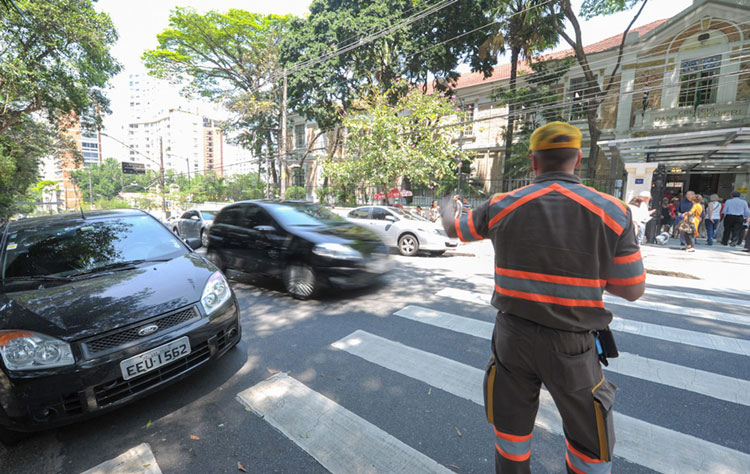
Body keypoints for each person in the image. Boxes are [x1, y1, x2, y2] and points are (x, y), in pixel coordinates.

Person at [441, 122, 644, 474]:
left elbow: (454, 229)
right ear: (577, 160)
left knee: (511, 435)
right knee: (588, 444)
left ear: (533, 162)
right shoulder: (612, 211)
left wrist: (447, 204)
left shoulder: (502, 205)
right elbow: (631, 288)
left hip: (512, 339)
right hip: (573, 346)